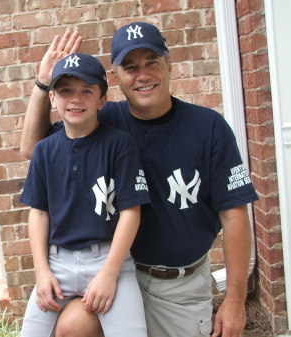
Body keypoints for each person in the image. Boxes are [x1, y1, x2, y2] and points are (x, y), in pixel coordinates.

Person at [20, 22, 259, 337]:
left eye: (152, 63)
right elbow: (32, 149)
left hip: (177, 285)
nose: (143, 75)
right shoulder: (102, 120)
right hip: (112, 274)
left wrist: (235, 299)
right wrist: (43, 83)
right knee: (72, 327)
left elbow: (234, 214)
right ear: (116, 78)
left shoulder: (208, 128)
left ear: (169, 64)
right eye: (130, 67)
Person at [19, 52, 151, 337]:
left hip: (108, 260)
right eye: (65, 91)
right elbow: (38, 213)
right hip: (57, 263)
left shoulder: (119, 144)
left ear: (102, 100)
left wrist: (109, 273)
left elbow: (131, 212)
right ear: (52, 98)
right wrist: (41, 272)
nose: (75, 99)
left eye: (86, 91)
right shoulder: (44, 150)